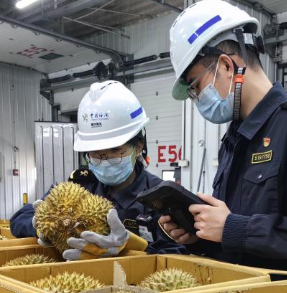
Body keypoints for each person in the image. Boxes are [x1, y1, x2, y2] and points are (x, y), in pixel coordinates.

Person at [159, 0, 287, 276]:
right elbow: (238, 241)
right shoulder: (233, 142)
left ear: (226, 66)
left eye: (196, 87)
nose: (197, 99)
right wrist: (201, 237)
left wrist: (232, 228)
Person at [10, 80, 185, 259]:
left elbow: (180, 253)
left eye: (115, 150)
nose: (105, 160)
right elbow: (19, 219)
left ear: (138, 147)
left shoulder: (162, 197)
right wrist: (39, 226)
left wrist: (131, 247)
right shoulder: (78, 186)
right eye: (95, 152)